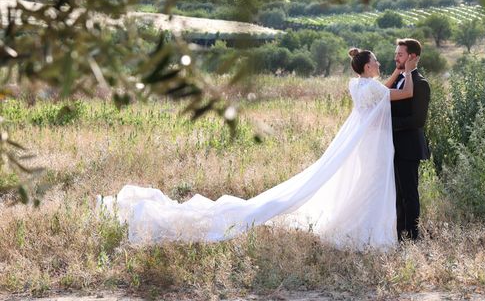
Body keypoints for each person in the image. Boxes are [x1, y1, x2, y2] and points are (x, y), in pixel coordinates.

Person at [99, 49, 417, 250]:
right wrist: (409, 72)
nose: (380, 62)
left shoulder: (357, 85)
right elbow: (399, 95)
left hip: (359, 146)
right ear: (367, 67)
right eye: (376, 60)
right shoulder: (373, 87)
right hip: (368, 147)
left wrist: (396, 74)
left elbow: (381, 90)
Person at [386, 39, 430, 241]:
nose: (396, 57)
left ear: (412, 57)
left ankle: (413, 238)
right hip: (392, 147)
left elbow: (418, 120)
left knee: (409, 195)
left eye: (400, 54)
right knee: (396, 195)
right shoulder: (396, 81)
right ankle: (399, 236)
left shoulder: (421, 84)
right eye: (396, 54)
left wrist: (388, 122)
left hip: (409, 147)